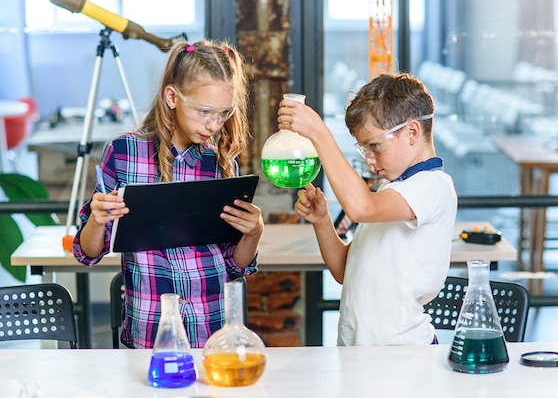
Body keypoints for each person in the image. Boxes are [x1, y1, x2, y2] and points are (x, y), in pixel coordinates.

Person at [73, 39, 264, 349]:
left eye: (223, 114)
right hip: (150, 335)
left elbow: (233, 264)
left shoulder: (221, 162)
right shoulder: (124, 153)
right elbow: (88, 252)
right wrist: (96, 219)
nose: (213, 125)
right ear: (172, 97)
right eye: (204, 112)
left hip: (212, 335)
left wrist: (254, 234)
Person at [278, 72, 457, 346]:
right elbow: (344, 270)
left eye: (374, 146)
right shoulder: (390, 191)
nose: (371, 161)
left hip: (402, 356)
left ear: (411, 131)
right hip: (360, 355)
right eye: (364, 150)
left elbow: (361, 207)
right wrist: (322, 221)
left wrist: (318, 133)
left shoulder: (433, 186)